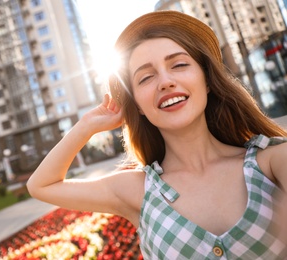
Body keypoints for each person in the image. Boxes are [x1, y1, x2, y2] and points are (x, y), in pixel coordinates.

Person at [27, 10, 287, 259]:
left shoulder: (272, 163)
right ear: (138, 105)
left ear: (206, 80)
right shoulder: (138, 190)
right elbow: (41, 185)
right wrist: (86, 125)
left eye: (179, 64)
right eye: (146, 77)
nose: (165, 81)